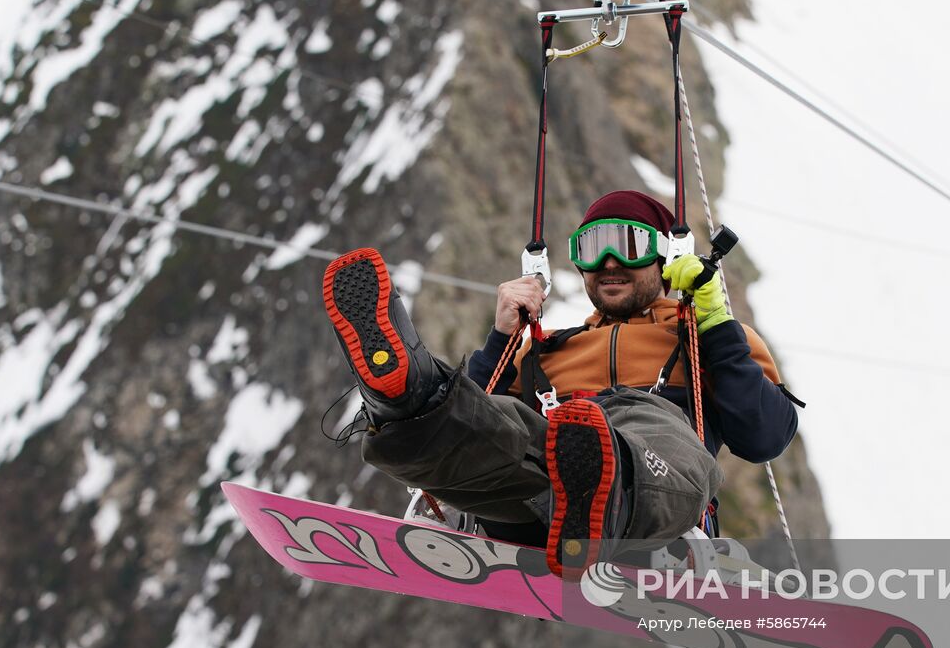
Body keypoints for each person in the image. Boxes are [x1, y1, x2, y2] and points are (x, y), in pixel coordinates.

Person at [322, 190, 798, 577]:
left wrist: (714, 322)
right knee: (497, 427)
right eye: (592, 250)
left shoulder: (706, 338)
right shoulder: (548, 348)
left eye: (629, 245)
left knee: (641, 421)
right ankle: (409, 398)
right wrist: (503, 336)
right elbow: (479, 418)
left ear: (665, 257)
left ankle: (598, 487)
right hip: (536, 510)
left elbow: (763, 436)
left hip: (656, 515)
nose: (609, 262)